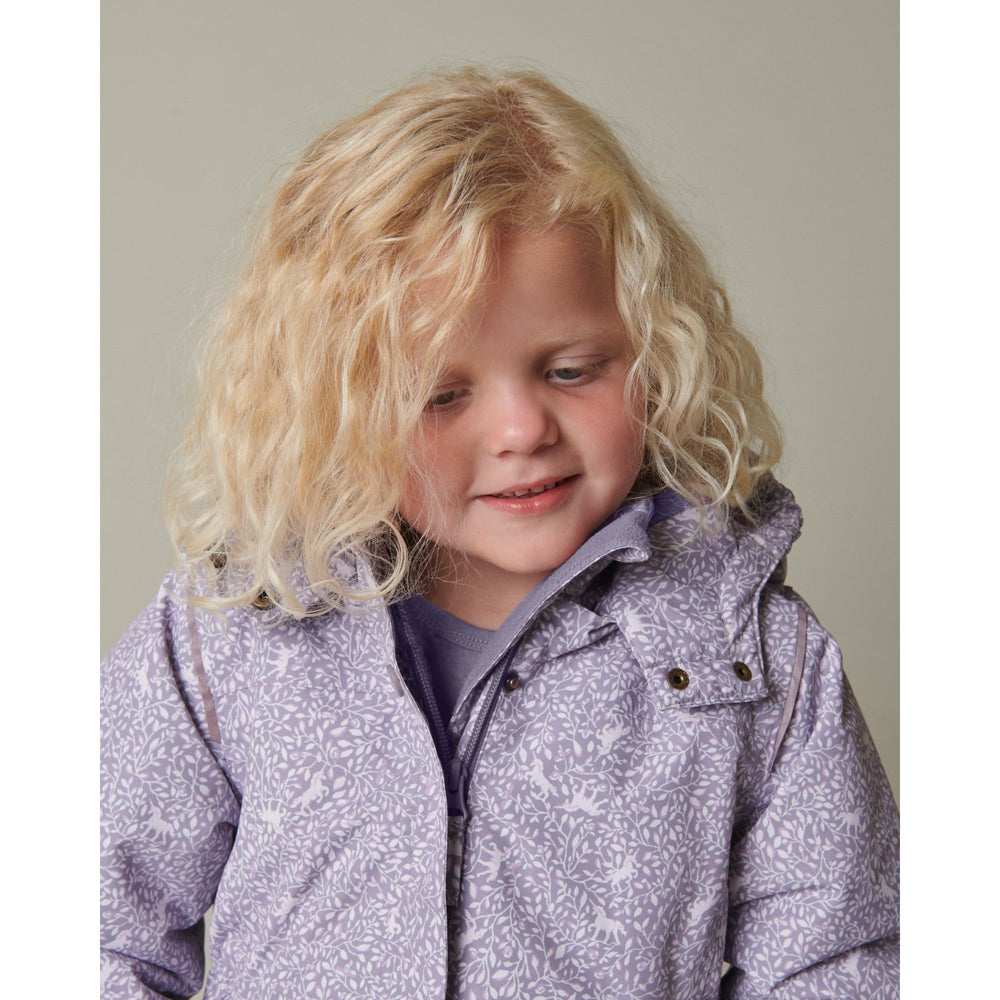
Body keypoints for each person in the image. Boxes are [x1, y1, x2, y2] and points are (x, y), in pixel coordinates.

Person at [101, 68, 899, 999]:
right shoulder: (233, 629)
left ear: (652, 350)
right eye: (442, 394)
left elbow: (838, 964)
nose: (521, 430)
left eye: (571, 370)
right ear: (334, 405)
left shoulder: (754, 657)